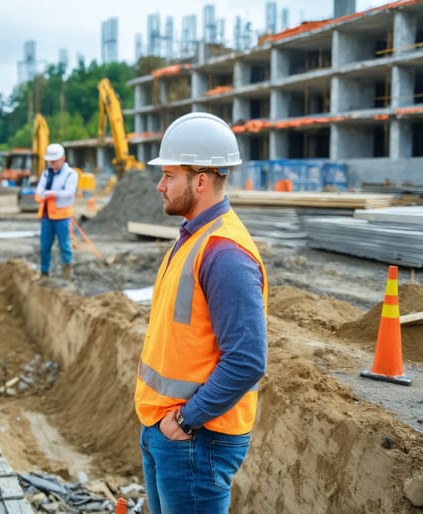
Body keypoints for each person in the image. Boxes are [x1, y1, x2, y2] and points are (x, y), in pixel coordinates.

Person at [135, 112, 267, 514]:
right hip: (167, 430)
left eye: (169, 175)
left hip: (196, 439)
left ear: (201, 181)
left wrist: (186, 421)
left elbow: (247, 361)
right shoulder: (193, 237)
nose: (160, 185)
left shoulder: (224, 253)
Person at [34, 143, 78, 279]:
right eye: (50, 161)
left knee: (64, 245)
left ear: (63, 159)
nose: (51, 164)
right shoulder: (46, 173)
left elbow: (69, 193)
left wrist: (51, 194)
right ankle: (44, 272)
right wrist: (42, 194)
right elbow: (39, 190)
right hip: (47, 216)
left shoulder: (70, 174)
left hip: (62, 217)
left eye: (54, 161)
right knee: (44, 246)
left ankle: (67, 272)